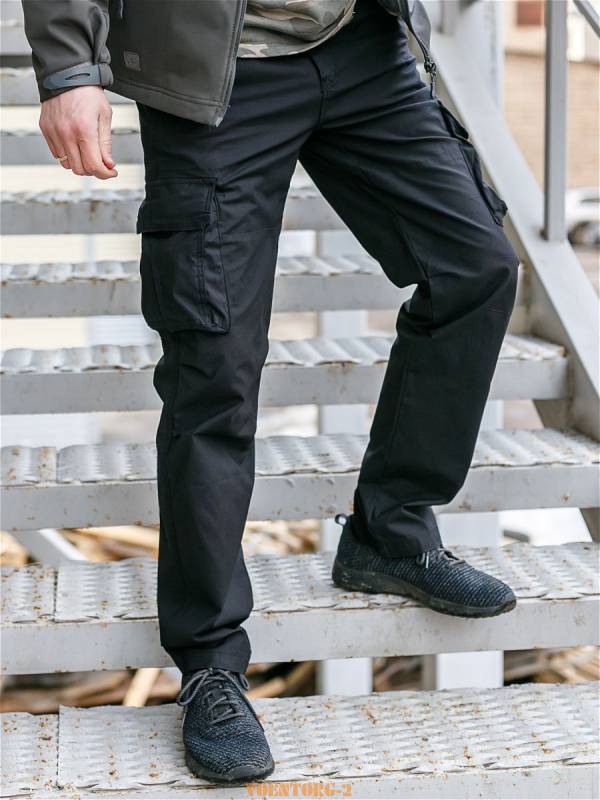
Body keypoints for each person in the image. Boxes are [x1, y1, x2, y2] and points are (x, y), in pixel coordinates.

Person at [23, 0, 520, 785]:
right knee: (214, 367)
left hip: (361, 44)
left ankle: (389, 531)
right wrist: (70, 70)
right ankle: (209, 664)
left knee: (477, 269)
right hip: (214, 75)